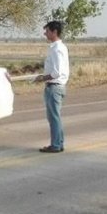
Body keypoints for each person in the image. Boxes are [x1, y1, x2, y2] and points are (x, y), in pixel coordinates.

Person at [33, 20, 70, 153]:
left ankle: (55, 145)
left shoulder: (57, 49)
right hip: (54, 86)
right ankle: (58, 143)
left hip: (54, 87)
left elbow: (56, 72)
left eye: (47, 31)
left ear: (54, 32)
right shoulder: (57, 47)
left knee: (54, 117)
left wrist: (43, 78)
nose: (45, 33)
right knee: (54, 117)